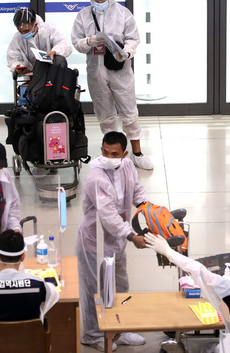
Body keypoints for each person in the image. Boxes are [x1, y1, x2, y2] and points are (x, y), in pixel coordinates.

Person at [76, 131, 148, 351]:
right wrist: (131, 235)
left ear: (124, 154)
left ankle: (121, 327)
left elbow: (135, 189)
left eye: (114, 153)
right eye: (105, 152)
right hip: (94, 241)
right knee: (93, 288)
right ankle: (91, 334)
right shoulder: (96, 178)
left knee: (120, 283)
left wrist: (146, 207)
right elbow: (107, 216)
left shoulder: (127, 166)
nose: (109, 156)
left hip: (116, 240)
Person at [71, 0, 153, 171]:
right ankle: (111, 154)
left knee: (129, 111)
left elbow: (133, 38)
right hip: (96, 71)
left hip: (120, 69)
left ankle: (137, 153)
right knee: (105, 113)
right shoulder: (83, 16)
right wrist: (90, 41)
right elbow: (76, 42)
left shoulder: (123, 14)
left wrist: (127, 51)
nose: (100, 0)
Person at [6, 7, 73, 76]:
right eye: (20, 31)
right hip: (30, 76)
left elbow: (64, 44)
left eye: (26, 31)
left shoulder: (48, 29)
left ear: (35, 24)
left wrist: (54, 51)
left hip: (52, 75)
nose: (24, 34)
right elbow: (12, 57)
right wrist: (17, 67)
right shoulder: (17, 38)